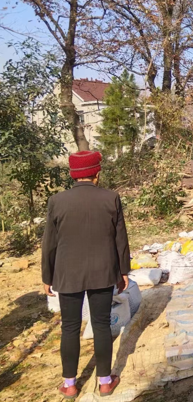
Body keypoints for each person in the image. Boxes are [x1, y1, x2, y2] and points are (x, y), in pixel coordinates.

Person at [41, 150, 130, 399]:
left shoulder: (57, 201)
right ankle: (105, 382)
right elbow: (120, 239)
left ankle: (69, 384)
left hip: (67, 274)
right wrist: (123, 271)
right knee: (101, 324)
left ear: (73, 174)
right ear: (96, 173)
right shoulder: (111, 198)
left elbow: (49, 243)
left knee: (70, 327)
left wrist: (47, 276)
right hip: (103, 272)